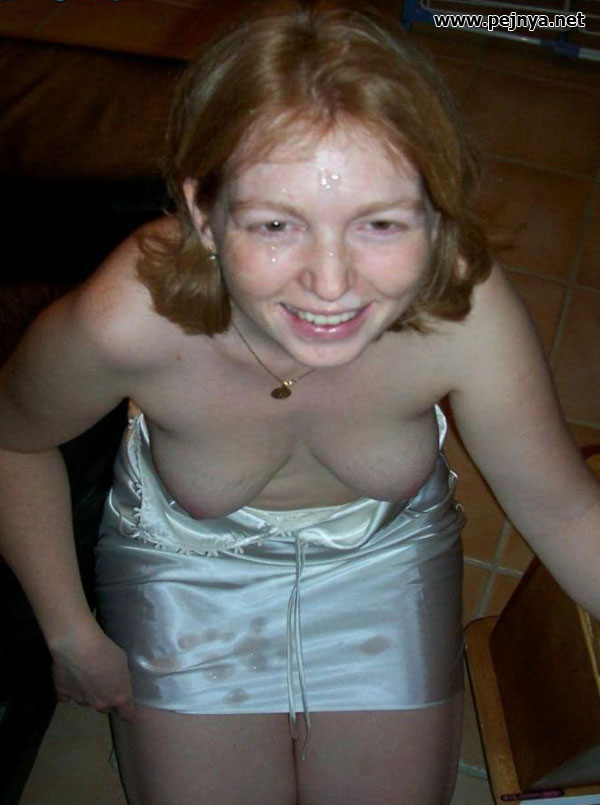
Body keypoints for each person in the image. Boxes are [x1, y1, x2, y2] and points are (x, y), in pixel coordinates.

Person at [0, 6, 598, 804]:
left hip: (384, 568)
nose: (331, 284)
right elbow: (11, 439)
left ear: (435, 214)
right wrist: (70, 631)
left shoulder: (463, 311)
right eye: (276, 223)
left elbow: (565, 510)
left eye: (380, 223)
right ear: (205, 214)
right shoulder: (126, 320)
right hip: (187, 574)